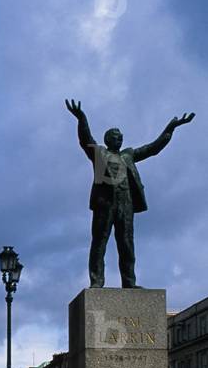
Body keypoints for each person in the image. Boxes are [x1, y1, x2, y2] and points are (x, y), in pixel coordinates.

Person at [65, 100, 194, 287]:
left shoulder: (128, 155)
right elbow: (86, 139)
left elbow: (153, 148)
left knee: (126, 245)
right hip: (105, 203)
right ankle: (97, 282)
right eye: (116, 137)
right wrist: (81, 118)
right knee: (99, 243)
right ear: (108, 139)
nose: (120, 139)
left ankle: (129, 282)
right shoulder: (99, 153)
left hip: (126, 203)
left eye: (121, 137)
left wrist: (171, 127)